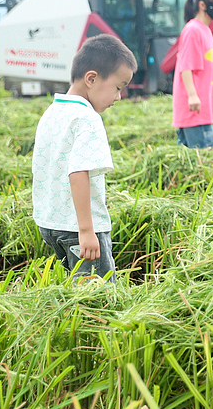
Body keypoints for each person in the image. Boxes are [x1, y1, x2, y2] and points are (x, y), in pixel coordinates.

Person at [32, 34, 137, 279]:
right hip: (80, 228)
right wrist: (87, 230)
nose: (119, 97)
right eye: (118, 87)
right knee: (98, 294)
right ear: (92, 79)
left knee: (73, 291)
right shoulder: (88, 119)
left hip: (50, 224)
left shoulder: (52, 112)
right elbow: (78, 172)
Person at [173, 0, 213, 149]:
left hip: (203, 107)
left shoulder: (205, 30)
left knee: (190, 157)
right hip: (196, 109)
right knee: (206, 157)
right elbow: (186, 66)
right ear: (203, 5)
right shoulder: (193, 30)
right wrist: (193, 95)